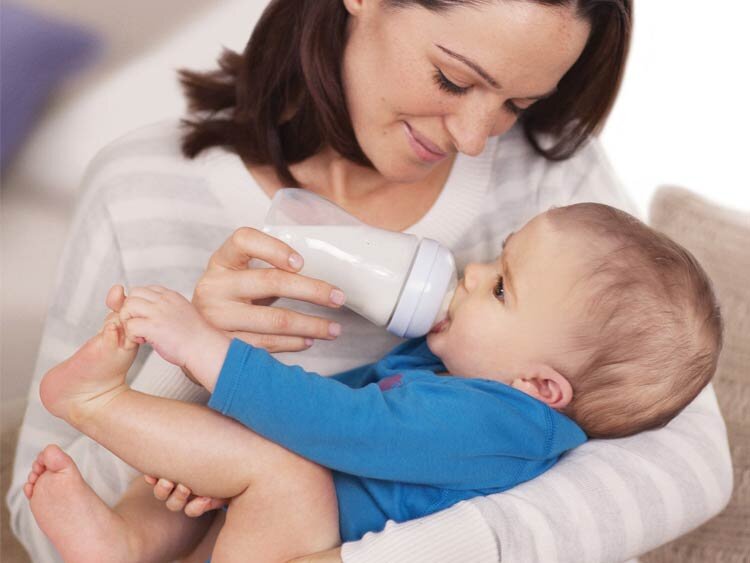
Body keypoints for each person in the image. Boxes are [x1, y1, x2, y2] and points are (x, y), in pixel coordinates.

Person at [7, 1, 732, 562]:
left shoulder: (555, 191)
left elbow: (687, 462)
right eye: (453, 78)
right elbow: (40, 524)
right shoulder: (139, 186)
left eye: (519, 103)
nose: (475, 136)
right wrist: (187, 381)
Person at [24, 202, 723, 562]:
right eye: (498, 257)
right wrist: (212, 456)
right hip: (264, 536)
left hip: (302, 545)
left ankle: (93, 401)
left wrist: (206, 348)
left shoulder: (504, 425)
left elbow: (341, 422)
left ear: (541, 386)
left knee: (287, 470)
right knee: (232, 454)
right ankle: (126, 544)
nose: (473, 272)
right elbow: (331, 409)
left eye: (501, 288)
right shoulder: (450, 371)